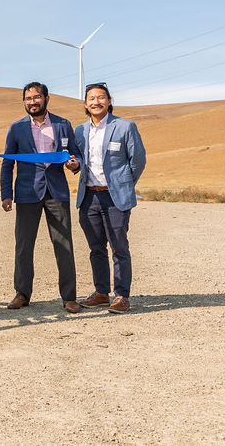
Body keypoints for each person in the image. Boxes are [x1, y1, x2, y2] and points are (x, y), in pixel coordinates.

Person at [0, 82, 83, 314]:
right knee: (24, 246)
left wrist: (75, 165)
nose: (32, 102)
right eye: (28, 98)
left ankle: (69, 297)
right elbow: (7, 163)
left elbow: (74, 154)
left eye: (36, 97)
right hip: (27, 193)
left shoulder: (63, 124)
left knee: (64, 244)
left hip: (57, 192)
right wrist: (7, 194)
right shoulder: (17, 129)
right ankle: (22, 293)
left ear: (46, 98)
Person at [74, 83, 147, 314]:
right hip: (89, 197)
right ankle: (101, 293)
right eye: (92, 98)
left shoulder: (125, 127)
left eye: (101, 98)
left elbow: (138, 161)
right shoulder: (79, 131)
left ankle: (122, 295)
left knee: (119, 247)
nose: (96, 102)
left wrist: (123, 185)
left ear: (109, 101)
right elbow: (78, 162)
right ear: (86, 104)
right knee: (96, 248)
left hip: (115, 198)